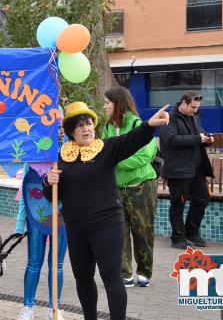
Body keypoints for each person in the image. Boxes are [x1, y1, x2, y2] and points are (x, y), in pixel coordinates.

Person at [44, 101, 170, 320]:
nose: (86, 128)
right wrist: (48, 182)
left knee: (111, 277)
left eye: (88, 123)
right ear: (71, 132)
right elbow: (53, 197)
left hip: (107, 224)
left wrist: (150, 125)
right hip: (76, 228)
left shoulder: (107, 148)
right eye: (80, 125)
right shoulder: (61, 157)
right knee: (83, 278)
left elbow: (133, 139)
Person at [102, 87, 158, 288]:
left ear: (118, 103)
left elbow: (144, 156)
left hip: (141, 187)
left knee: (143, 231)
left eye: (107, 102)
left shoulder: (138, 125)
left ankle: (144, 271)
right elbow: (102, 150)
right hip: (117, 189)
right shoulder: (107, 128)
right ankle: (124, 273)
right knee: (120, 232)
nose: (104, 106)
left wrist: (115, 160)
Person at [16, 130, 67, 320]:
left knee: (57, 264)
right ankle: (27, 307)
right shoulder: (31, 153)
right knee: (33, 262)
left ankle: (55, 308)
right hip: (35, 213)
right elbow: (24, 191)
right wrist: (19, 225)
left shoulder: (70, 151)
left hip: (62, 214)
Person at [160, 91, 214, 249]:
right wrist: (198, 138)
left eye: (197, 107)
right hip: (178, 170)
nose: (195, 110)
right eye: (192, 107)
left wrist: (207, 139)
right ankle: (177, 237)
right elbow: (172, 139)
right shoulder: (169, 119)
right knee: (178, 203)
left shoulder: (195, 117)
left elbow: (199, 135)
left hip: (196, 169)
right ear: (183, 103)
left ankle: (192, 232)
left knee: (202, 198)